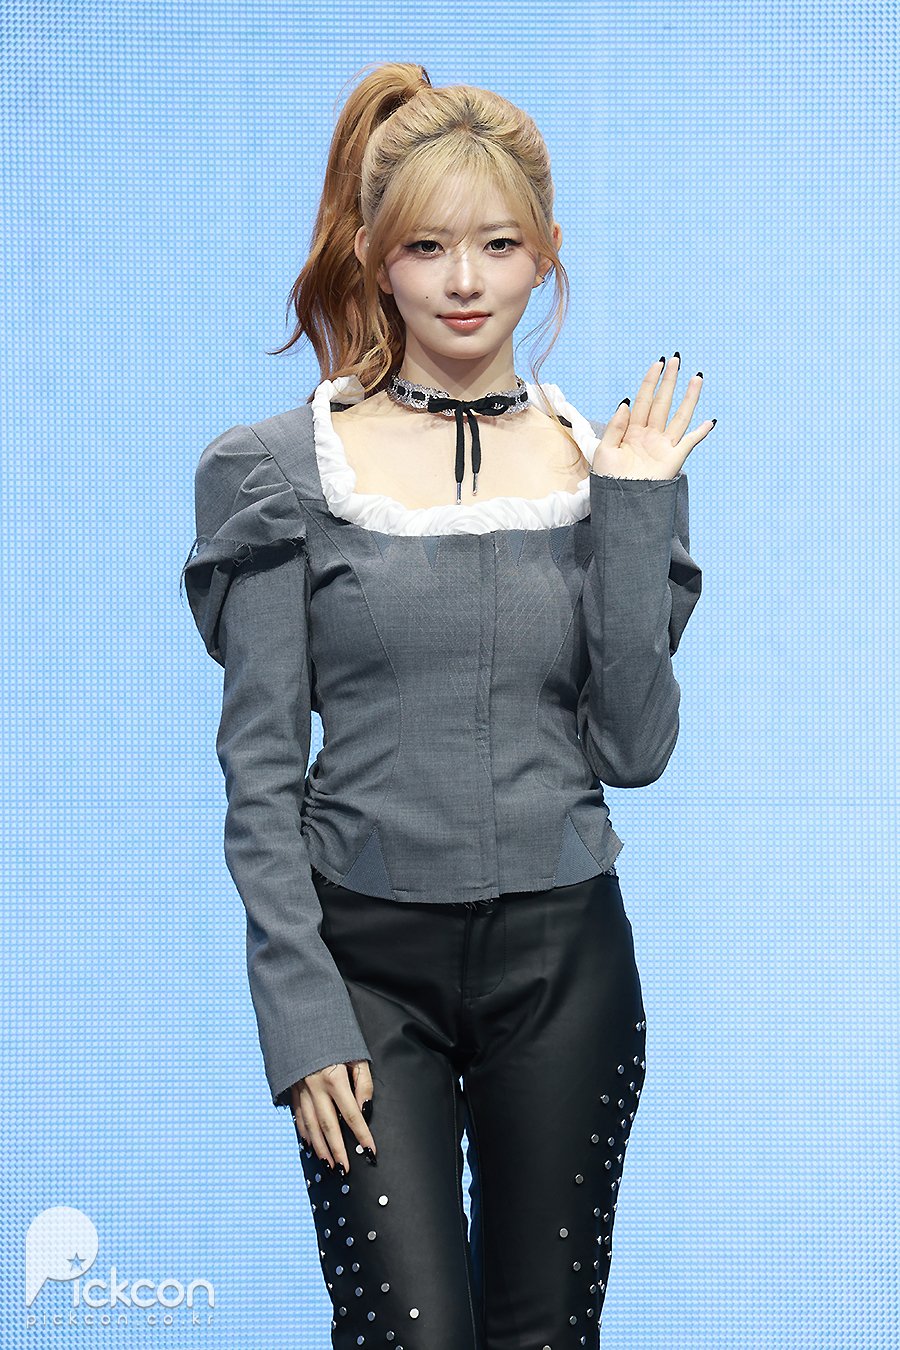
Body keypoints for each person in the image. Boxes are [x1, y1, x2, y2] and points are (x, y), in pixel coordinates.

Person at [181, 59, 709, 1350]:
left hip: (565, 961)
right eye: (426, 246)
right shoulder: (276, 472)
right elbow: (261, 773)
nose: (464, 281)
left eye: (498, 244)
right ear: (375, 256)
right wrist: (299, 1014)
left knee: (546, 1336)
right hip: (362, 970)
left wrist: (634, 509)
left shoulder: (606, 465)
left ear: (546, 253)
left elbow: (634, 749)